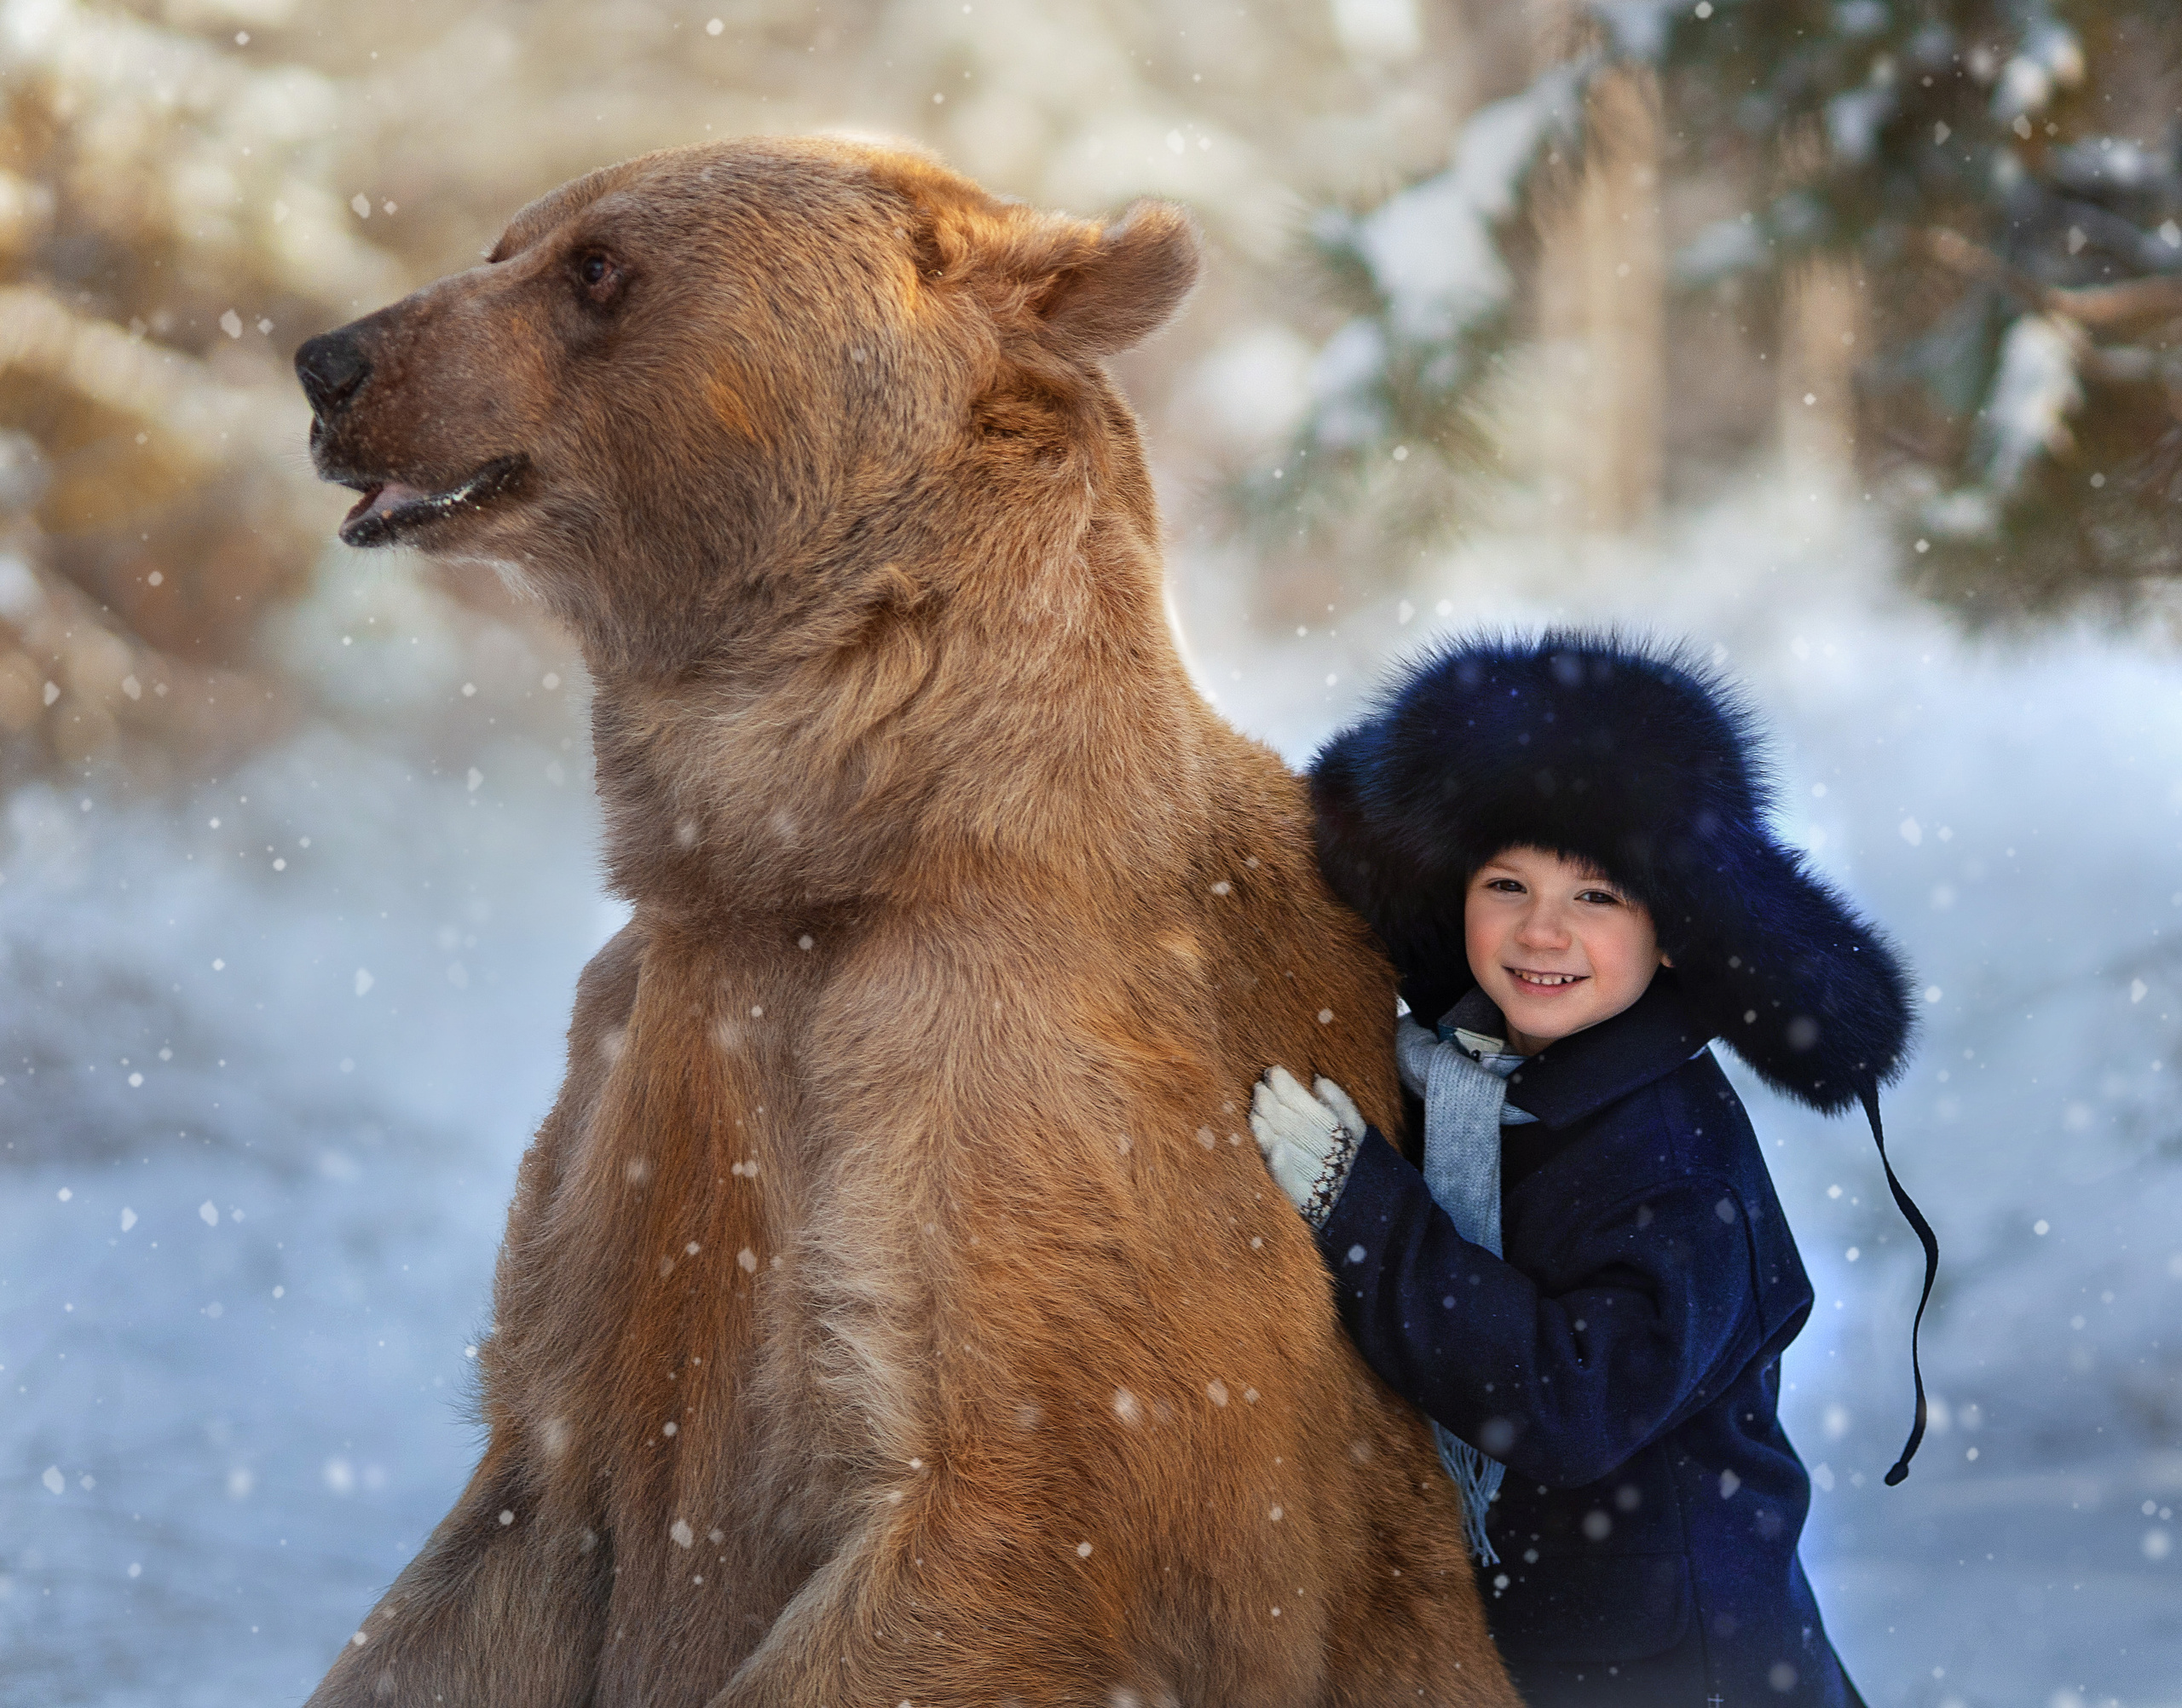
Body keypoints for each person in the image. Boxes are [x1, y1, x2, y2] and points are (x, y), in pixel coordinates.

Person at [1251, 632, 1936, 1707]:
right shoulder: (1478, 1082)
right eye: (1507, 882)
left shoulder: (1674, 1164)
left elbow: (1570, 1402)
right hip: (1542, 1641)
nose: (1542, 930)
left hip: (1684, 1668)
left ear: (1673, 934)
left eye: (1599, 897)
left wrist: (1359, 1208)